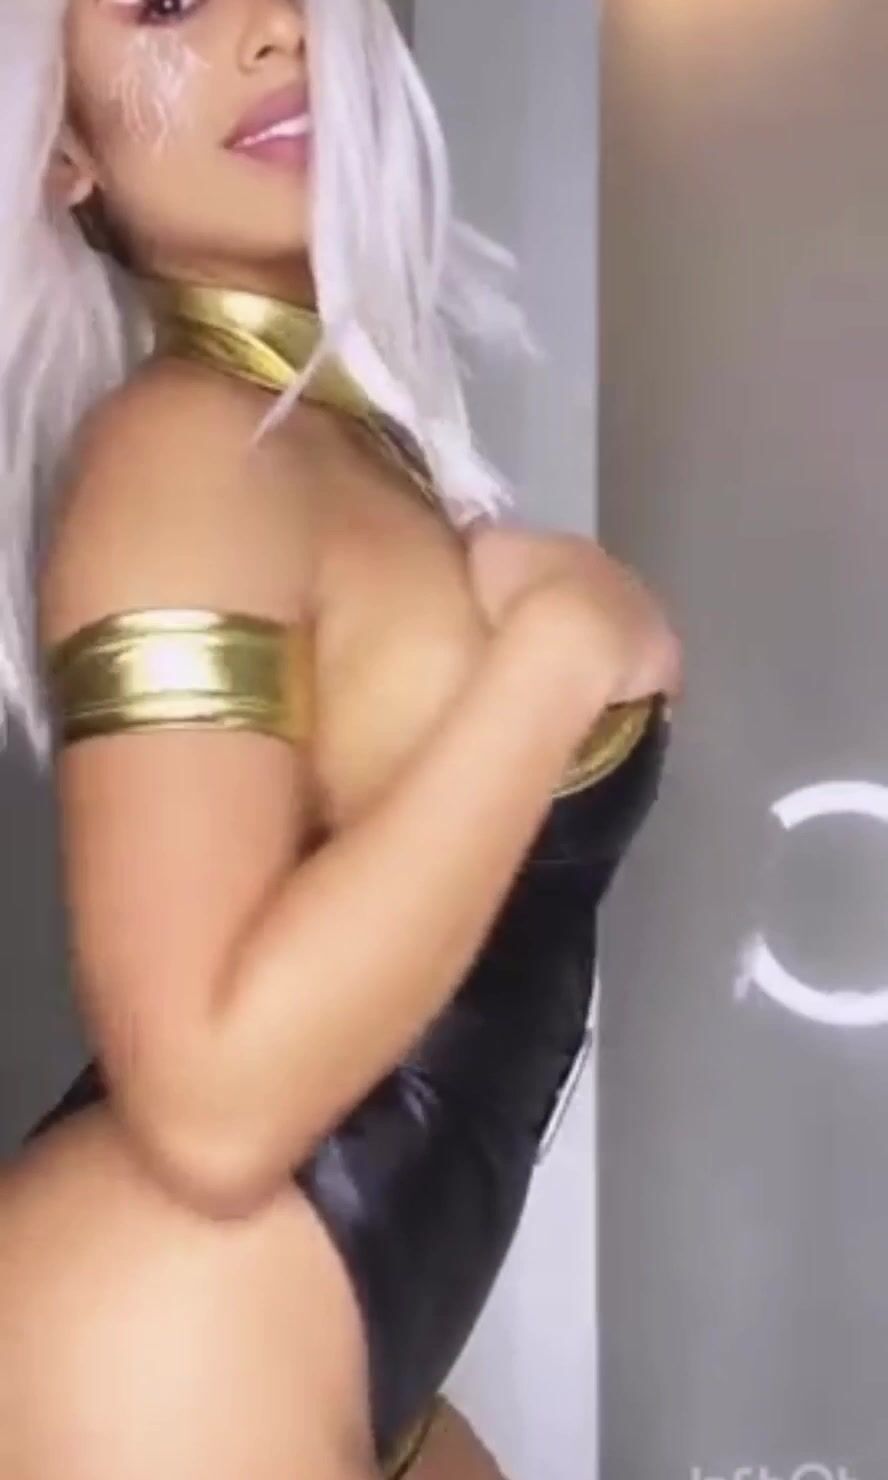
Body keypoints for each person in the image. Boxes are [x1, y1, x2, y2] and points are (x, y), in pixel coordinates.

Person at [0, 1, 682, 1476]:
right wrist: (552, 667)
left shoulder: (314, 435)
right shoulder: (182, 451)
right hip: (168, 1356)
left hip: (311, 1345)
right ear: (58, 143)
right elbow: (209, 1106)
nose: (275, 27)